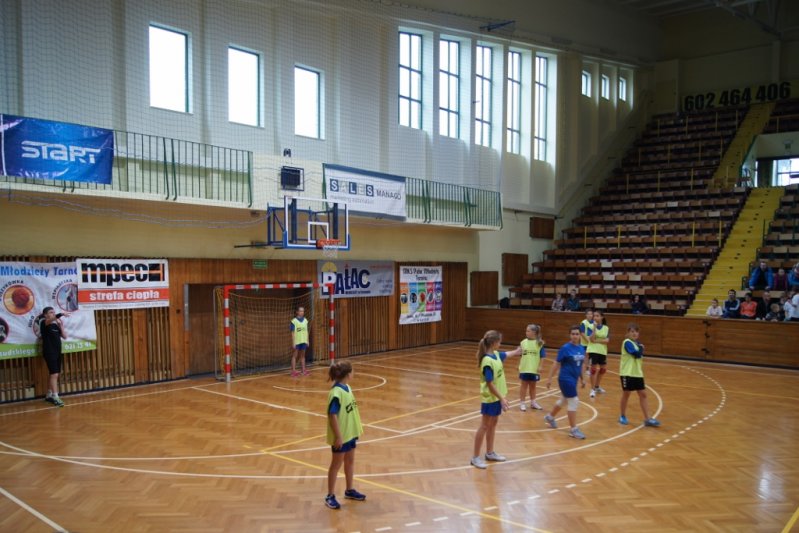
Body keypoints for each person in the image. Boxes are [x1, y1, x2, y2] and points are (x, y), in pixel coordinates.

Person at [471, 330, 521, 469]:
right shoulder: (487, 361)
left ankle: (490, 453)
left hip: (497, 397)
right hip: (490, 398)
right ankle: (475, 457)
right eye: (499, 342)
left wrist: (519, 350)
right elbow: (489, 383)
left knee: (493, 425)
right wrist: (502, 399)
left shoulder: (497, 354)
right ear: (493, 343)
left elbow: (509, 354)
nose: (500, 344)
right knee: (484, 426)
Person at [325, 360, 366, 509]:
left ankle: (349, 490)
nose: (354, 373)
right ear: (348, 374)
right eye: (353, 371)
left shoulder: (347, 387)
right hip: (341, 436)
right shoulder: (336, 393)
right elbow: (332, 415)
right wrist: (338, 436)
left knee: (349, 462)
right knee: (335, 465)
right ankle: (329, 495)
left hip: (350, 434)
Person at [544, 325, 587, 439]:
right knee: (574, 401)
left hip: (574, 379)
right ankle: (573, 429)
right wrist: (549, 379)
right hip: (565, 378)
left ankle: (550, 417)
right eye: (573, 334)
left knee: (564, 400)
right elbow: (556, 364)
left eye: (577, 334)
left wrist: (583, 379)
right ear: (570, 335)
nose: (575, 336)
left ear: (580, 335)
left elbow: (581, 365)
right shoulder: (565, 348)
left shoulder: (582, 348)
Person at [618, 323, 660, 427]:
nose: (634, 333)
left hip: (637, 373)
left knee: (643, 394)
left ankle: (647, 419)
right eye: (632, 331)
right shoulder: (627, 342)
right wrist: (641, 348)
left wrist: (640, 348)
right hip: (627, 373)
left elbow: (639, 353)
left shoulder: (638, 344)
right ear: (628, 333)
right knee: (626, 394)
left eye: (636, 331)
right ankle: (622, 415)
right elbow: (636, 354)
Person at [37, 307, 68, 407]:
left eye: (54, 312)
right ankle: (55, 396)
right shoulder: (44, 323)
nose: (53, 314)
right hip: (49, 352)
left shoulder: (55, 326)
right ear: (45, 315)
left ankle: (49, 394)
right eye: (51, 312)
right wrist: (61, 314)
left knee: (55, 374)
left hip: (57, 352)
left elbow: (65, 336)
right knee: (54, 374)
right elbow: (52, 319)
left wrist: (61, 325)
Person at [518, 324, 546, 411]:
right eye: (526, 331)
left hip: (534, 369)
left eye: (528, 331)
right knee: (524, 386)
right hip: (525, 368)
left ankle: (533, 402)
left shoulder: (539, 343)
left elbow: (542, 356)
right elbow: (521, 355)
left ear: (534, 332)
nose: (526, 332)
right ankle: (522, 403)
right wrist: (518, 365)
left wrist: (540, 366)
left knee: (533, 386)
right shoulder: (523, 342)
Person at [587, 311, 610, 398]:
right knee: (593, 370)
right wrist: (594, 328)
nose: (595, 317)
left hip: (602, 351)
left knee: (603, 369)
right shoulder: (590, 326)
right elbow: (591, 339)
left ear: (602, 317)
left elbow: (607, 341)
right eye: (594, 316)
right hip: (593, 350)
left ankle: (597, 386)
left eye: (597, 316)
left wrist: (597, 341)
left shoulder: (606, 328)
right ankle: (592, 389)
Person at [290, 307, 310, 377]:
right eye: (300, 311)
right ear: (297, 312)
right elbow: (292, 333)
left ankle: (303, 370)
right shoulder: (294, 321)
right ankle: (293, 371)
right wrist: (293, 342)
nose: (302, 312)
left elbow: (306, 331)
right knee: (295, 356)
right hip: (297, 341)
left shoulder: (305, 320)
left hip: (303, 341)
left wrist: (307, 340)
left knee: (303, 356)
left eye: (303, 311)